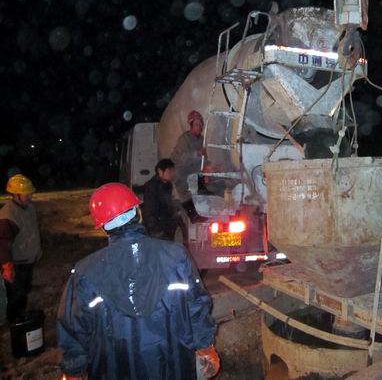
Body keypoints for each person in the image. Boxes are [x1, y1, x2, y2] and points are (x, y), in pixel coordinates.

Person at [56, 182, 219, 380]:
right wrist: (205, 346)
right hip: (173, 368)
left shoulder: (85, 272)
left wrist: (72, 371)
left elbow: (73, 328)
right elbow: (197, 307)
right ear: (138, 213)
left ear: (103, 227)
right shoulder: (176, 256)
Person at [0, 174, 42, 322]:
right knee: (15, 297)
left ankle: (21, 320)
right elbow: (2, 243)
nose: (30, 196)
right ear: (16, 194)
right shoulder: (8, 215)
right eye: (27, 194)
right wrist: (7, 267)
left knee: (23, 293)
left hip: (27, 261)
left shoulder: (29, 208)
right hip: (17, 264)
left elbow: (32, 230)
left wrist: (37, 251)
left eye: (30, 193)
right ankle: (15, 325)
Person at [170, 110, 206, 200]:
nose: (199, 127)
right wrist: (197, 153)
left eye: (201, 124)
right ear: (191, 125)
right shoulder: (184, 139)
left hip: (192, 174)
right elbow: (182, 159)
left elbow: (204, 160)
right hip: (180, 175)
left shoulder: (201, 139)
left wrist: (209, 167)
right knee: (188, 200)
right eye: (196, 124)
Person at [142, 158, 180, 240]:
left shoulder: (168, 185)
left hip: (166, 226)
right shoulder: (152, 186)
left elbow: (168, 204)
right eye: (169, 171)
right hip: (157, 228)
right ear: (160, 171)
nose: (172, 174)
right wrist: (155, 228)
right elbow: (149, 210)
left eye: (173, 171)